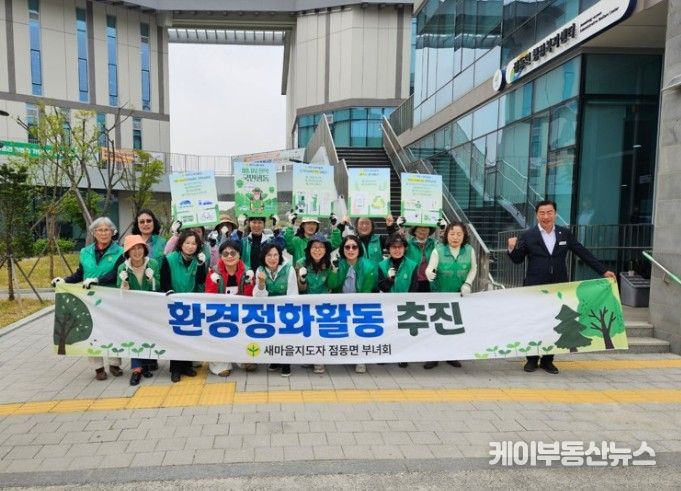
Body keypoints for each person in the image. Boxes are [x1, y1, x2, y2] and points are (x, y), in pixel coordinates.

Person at [508, 199, 616, 374]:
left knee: (554, 323)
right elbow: (517, 259)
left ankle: (547, 360)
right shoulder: (529, 235)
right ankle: (531, 359)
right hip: (534, 288)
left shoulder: (564, 234)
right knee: (533, 322)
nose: (546, 216)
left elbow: (582, 252)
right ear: (537, 215)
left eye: (549, 212)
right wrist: (511, 248)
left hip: (558, 287)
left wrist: (603, 271)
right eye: (542, 213)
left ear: (555, 214)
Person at [51, 217, 124, 381]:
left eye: (107, 230)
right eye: (100, 230)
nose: (103, 233)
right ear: (93, 233)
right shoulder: (85, 252)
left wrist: (98, 280)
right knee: (92, 331)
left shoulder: (120, 252)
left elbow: (117, 274)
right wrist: (64, 281)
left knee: (112, 330)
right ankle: (98, 367)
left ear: (112, 232)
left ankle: (114, 363)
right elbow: (80, 273)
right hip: (89, 299)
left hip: (110, 298)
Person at [424, 221, 477, 369]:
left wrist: (468, 283)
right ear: (446, 235)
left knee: (455, 327)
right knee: (437, 326)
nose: (455, 237)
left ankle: (451, 355)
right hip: (439, 295)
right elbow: (430, 268)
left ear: (464, 236)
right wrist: (429, 273)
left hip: (459, 296)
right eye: (452, 234)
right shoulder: (438, 250)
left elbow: (473, 268)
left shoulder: (469, 250)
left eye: (459, 234)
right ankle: (433, 357)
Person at [160, 229, 209, 382]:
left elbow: (201, 281)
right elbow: (164, 281)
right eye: (187, 243)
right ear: (181, 244)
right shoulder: (170, 259)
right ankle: (175, 369)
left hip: (192, 302)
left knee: (189, 335)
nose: (190, 246)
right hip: (174, 302)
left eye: (194, 243)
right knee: (176, 336)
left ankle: (187, 366)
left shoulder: (198, 259)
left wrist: (201, 264)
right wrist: (170, 292)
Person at [205, 240, 256, 377]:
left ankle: (244, 360)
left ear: (239, 255)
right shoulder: (213, 272)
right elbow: (209, 296)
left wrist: (249, 283)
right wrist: (214, 283)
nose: (229, 256)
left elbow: (250, 297)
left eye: (233, 253)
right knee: (219, 332)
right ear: (221, 256)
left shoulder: (247, 272)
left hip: (241, 312)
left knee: (246, 330)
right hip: (220, 312)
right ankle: (220, 364)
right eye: (225, 254)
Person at [328, 235, 378, 374]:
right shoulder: (338, 263)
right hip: (339, 303)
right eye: (347, 247)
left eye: (354, 247)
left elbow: (366, 292)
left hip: (359, 303)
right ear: (342, 249)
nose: (351, 250)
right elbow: (331, 285)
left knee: (360, 328)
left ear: (359, 249)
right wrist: (334, 270)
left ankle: (361, 359)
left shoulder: (368, 266)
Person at [116, 234, 161, 386]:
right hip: (132, 309)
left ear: (145, 249)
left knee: (148, 334)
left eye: (139, 248)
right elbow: (119, 290)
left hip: (150, 308)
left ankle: (146, 365)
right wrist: (123, 286)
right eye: (132, 249)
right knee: (135, 336)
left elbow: (159, 286)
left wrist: (152, 279)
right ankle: (136, 369)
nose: (137, 252)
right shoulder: (122, 268)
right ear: (127, 252)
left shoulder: (153, 264)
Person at [252, 243, 299, 377]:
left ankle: (286, 362)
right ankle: (275, 359)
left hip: (285, 308)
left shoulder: (288, 269)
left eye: (275, 255)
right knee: (272, 335)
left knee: (285, 335)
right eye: (269, 255)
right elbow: (258, 297)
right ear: (263, 257)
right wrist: (261, 284)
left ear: (280, 256)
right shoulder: (260, 270)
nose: (272, 258)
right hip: (268, 309)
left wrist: (287, 311)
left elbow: (293, 293)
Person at [377, 233, 419, 369]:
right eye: (393, 247)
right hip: (388, 305)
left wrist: (408, 303)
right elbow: (381, 287)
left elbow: (414, 287)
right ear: (388, 249)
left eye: (400, 247)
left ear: (404, 248)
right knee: (388, 331)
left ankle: (402, 356)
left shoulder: (412, 265)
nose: (397, 250)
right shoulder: (382, 265)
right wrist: (389, 280)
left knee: (402, 332)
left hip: (405, 305)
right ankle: (385, 354)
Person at [295, 234, 333, 374]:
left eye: (321, 247)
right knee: (307, 331)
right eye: (314, 247)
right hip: (306, 302)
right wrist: (302, 280)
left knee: (320, 331)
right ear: (309, 249)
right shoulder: (301, 263)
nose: (317, 250)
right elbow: (300, 289)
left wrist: (335, 271)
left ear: (326, 249)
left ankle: (319, 360)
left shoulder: (329, 263)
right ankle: (308, 355)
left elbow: (332, 285)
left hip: (323, 303)